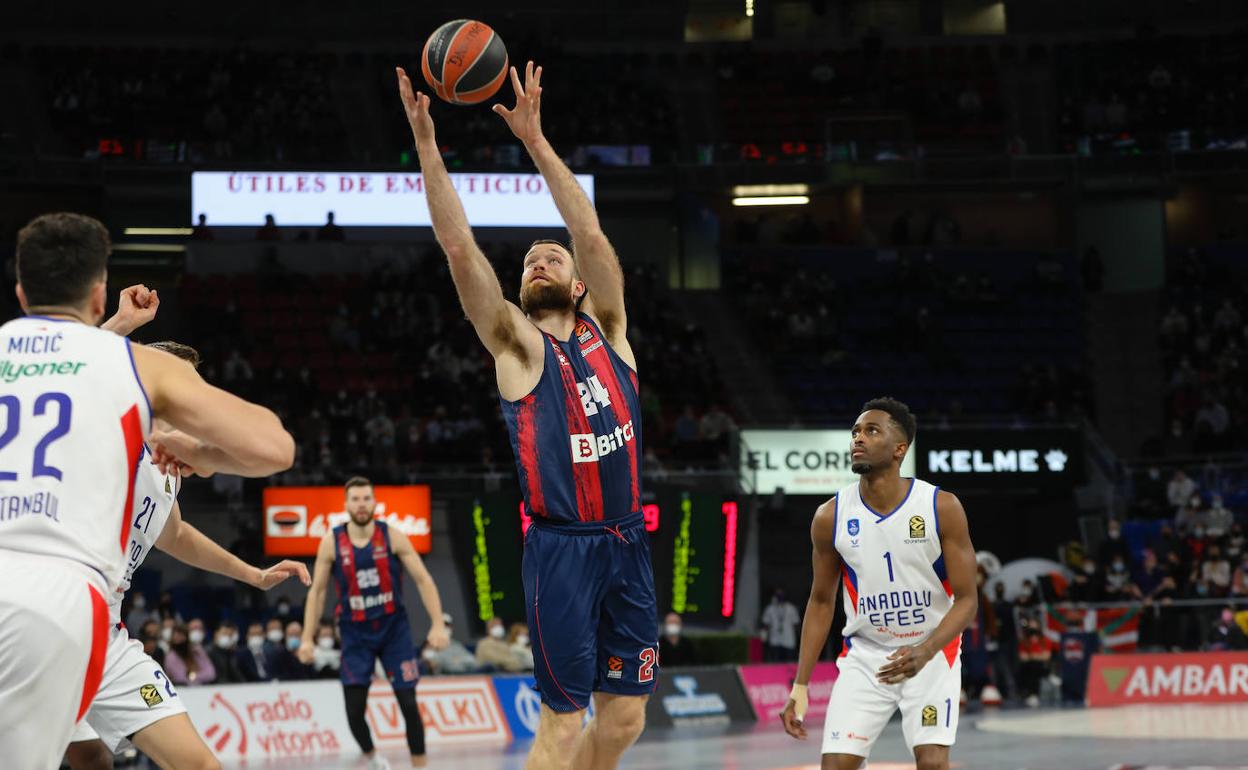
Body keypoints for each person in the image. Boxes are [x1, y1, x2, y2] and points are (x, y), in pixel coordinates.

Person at [398, 61, 658, 770]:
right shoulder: (516, 346)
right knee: (563, 728)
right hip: (563, 550)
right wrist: (427, 142)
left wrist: (537, 143)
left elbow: (594, 236)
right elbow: (459, 249)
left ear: (580, 284)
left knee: (627, 719)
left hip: (627, 541)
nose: (539, 261)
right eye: (530, 262)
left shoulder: (611, 331)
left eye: (553, 258)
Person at [0, 211, 295, 770]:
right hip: (64, 598)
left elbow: (175, 533)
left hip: (85, 615)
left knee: (96, 759)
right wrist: (204, 453)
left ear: (20, 292)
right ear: (97, 294)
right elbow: (274, 449)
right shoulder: (136, 371)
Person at [66, 338, 310, 769]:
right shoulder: (105, 429)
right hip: (54, 611)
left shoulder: (167, 467)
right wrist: (118, 328)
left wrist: (254, 575)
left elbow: (175, 533)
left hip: (106, 633)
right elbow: (68, 381)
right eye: (182, 383)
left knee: (195, 765)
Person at [781, 398, 978, 770]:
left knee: (933, 763)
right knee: (836, 765)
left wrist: (927, 649)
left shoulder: (940, 507)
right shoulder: (830, 516)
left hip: (932, 654)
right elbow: (821, 602)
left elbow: (967, 600)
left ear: (900, 448)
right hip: (867, 657)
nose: (858, 438)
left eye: (872, 431)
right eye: (856, 431)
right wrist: (800, 686)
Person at [297, 477, 450, 770]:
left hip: (394, 630)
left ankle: (420, 766)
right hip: (355, 634)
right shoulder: (331, 542)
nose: (362, 504)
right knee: (354, 711)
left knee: (408, 703)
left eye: (366, 498)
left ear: (375, 502)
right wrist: (307, 638)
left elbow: (423, 579)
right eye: (355, 499)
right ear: (346, 504)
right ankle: (372, 759)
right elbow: (316, 593)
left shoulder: (392, 536)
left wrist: (437, 625)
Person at [761, 589, 801, 662]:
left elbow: (796, 624)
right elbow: (765, 624)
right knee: (776, 664)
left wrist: (799, 639)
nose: (780, 598)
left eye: (781, 596)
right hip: (775, 640)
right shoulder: (770, 609)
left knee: (789, 663)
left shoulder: (791, 608)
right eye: (778, 596)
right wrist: (764, 636)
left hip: (789, 640)